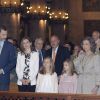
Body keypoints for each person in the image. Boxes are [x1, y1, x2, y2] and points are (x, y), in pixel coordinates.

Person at [0, 25, 17, 91]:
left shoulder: (10, 46)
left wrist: (3, 70)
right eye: (3, 34)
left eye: (6, 34)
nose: (5, 36)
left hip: (4, 79)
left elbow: (13, 62)